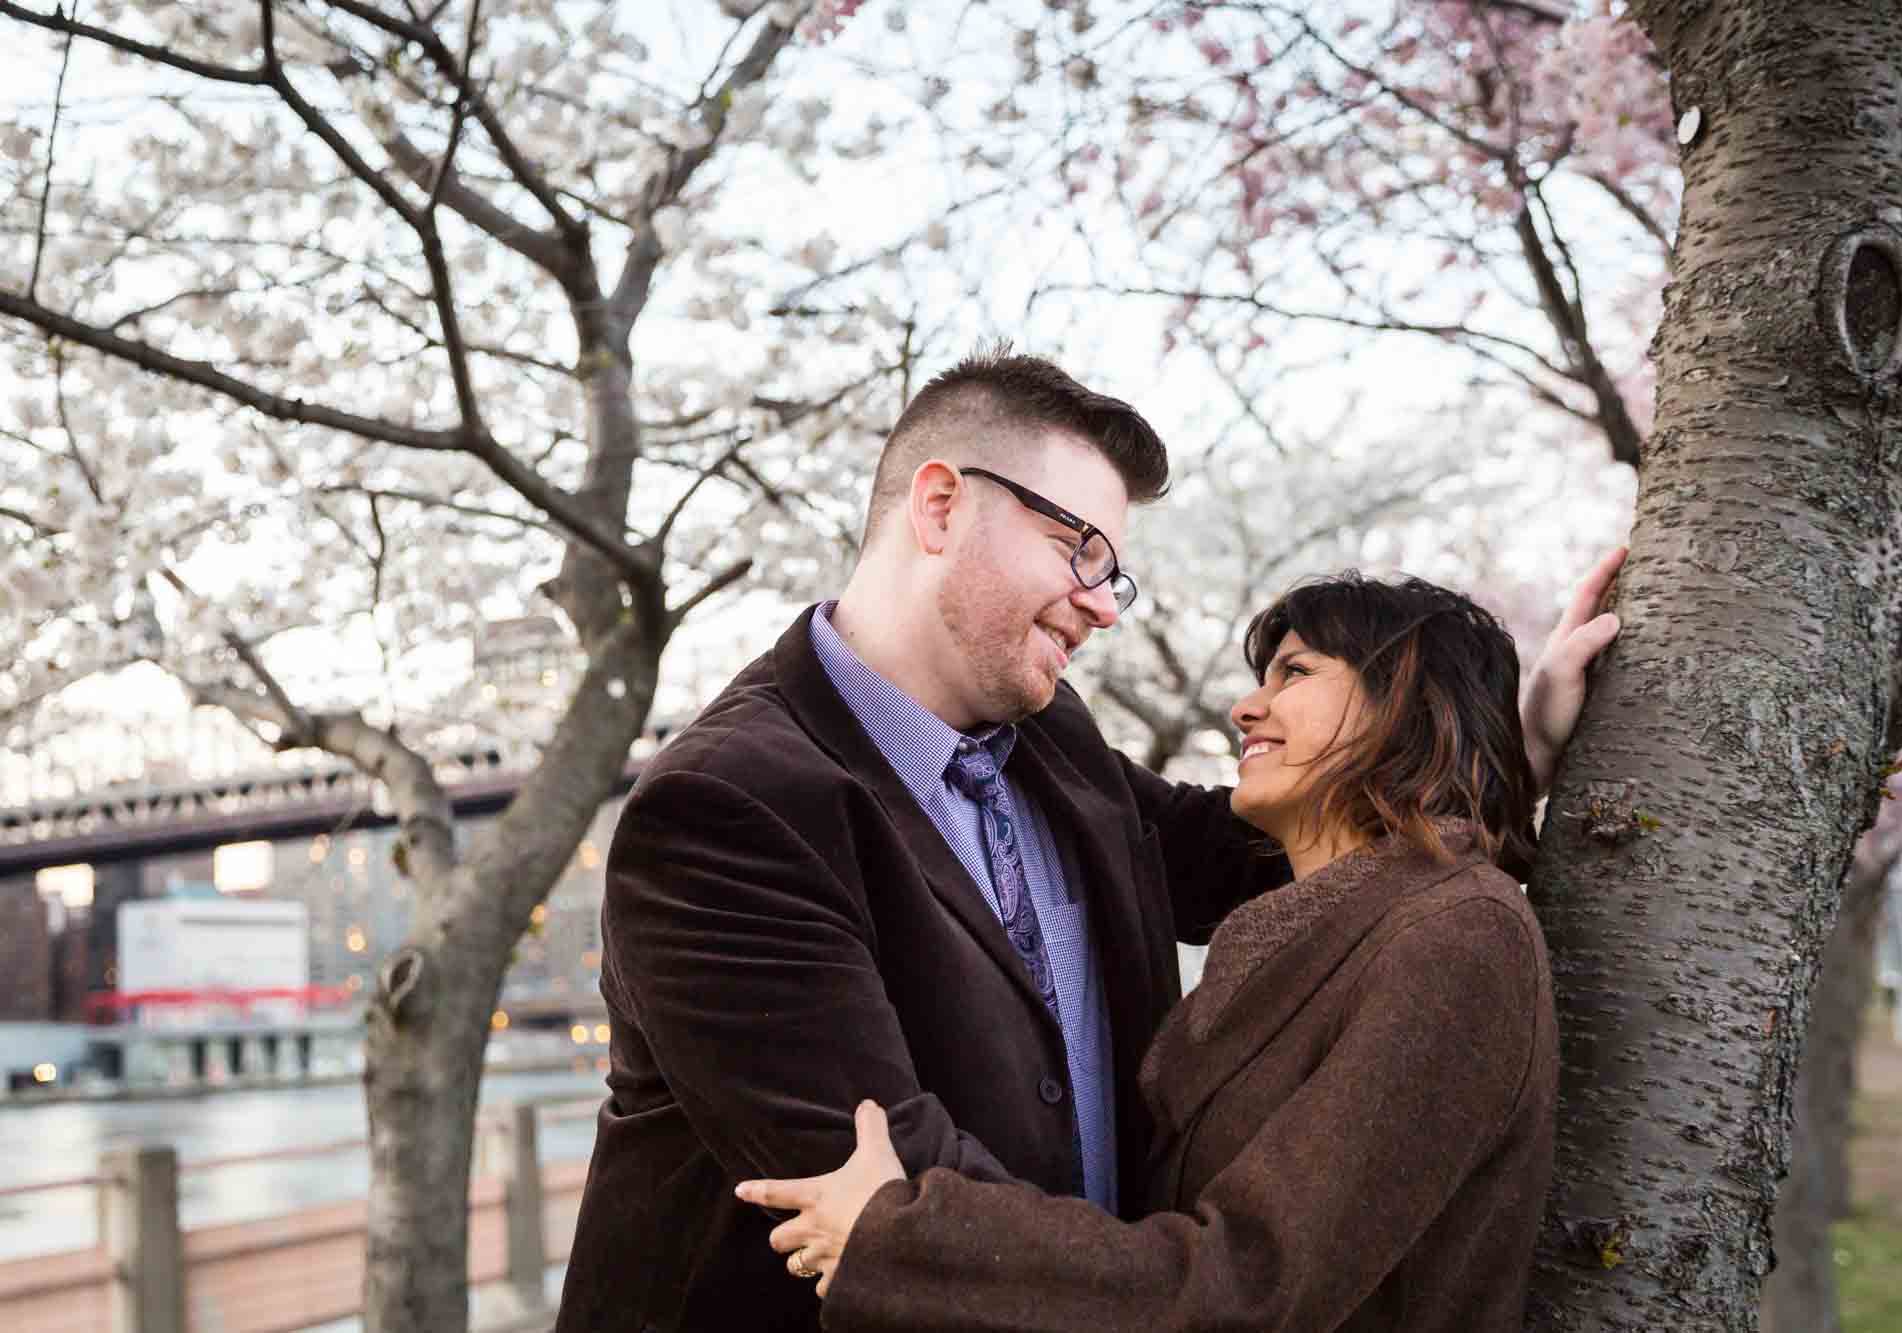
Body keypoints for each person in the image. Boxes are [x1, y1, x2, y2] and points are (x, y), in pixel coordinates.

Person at [553, 349, 1619, 1333]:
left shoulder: (1047, 737)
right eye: (1079, 550)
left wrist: (1491, 750)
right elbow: (877, 1190)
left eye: (1114, 571)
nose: (1100, 605)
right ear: (939, 506)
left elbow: (1293, 841)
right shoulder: (729, 809)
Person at [739, 573, 1559, 1332]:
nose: (1245, 707)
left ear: (1407, 705)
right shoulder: (1325, 928)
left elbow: (1253, 1279)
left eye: (1295, 673)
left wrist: (901, 1239)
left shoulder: (1459, 938)